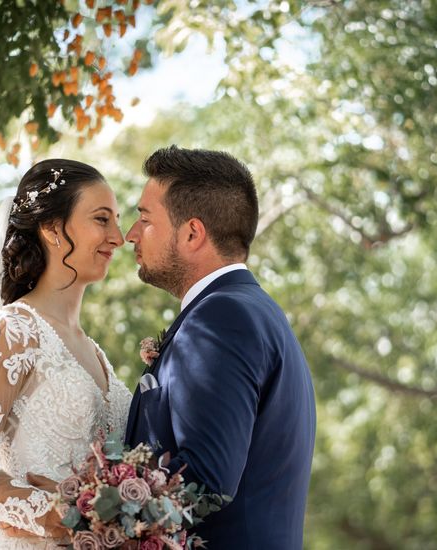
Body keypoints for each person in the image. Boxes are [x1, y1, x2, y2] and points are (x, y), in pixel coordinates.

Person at [123, 146, 316, 549]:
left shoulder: (222, 318)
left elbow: (206, 480)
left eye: (145, 219)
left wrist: (91, 514)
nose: (130, 235)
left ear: (192, 233)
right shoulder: (254, 312)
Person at [0, 159, 131, 549]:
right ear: (53, 229)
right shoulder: (15, 330)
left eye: (117, 220)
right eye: (102, 219)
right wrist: (54, 511)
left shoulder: (94, 351)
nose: (119, 237)